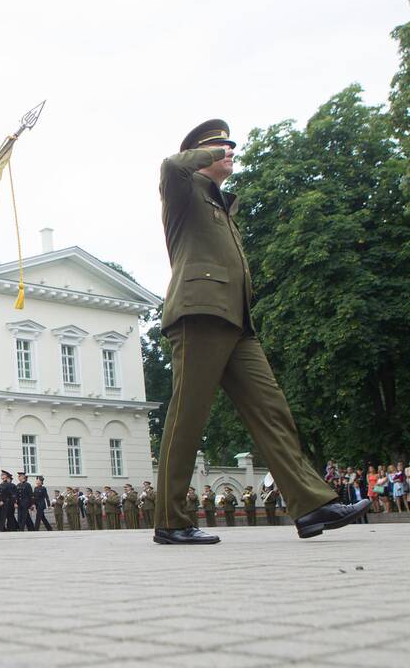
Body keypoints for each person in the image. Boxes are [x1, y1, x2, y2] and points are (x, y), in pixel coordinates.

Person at [153, 119, 368, 544]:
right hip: (199, 313)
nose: (229, 151)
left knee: (273, 411)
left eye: (230, 146)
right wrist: (212, 153)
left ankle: (311, 505)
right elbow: (170, 166)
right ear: (201, 153)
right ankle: (171, 521)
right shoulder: (184, 191)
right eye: (220, 146)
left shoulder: (221, 204)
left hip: (236, 319)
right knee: (188, 416)